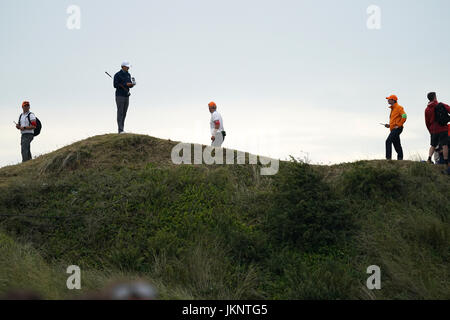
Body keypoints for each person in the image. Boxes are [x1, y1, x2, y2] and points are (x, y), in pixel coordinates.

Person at [425, 92, 450, 174]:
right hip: (443, 128)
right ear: (435, 97)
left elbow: (427, 122)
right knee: (444, 145)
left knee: (433, 145)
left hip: (433, 129)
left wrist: (430, 130)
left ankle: (429, 159)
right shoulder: (441, 104)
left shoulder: (427, 109)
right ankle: (446, 161)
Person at [114, 61, 136, 134]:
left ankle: (122, 129)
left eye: (128, 66)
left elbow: (129, 84)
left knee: (124, 113)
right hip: (120, 96)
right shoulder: (117, 75)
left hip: (126, 95)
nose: (128, 68)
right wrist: (125, 84)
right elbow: (115, 85)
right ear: (123, 67)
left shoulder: (128, 74)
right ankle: (120, 130)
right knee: (120, 112)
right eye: (127, 66)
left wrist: (131, 85)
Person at [384, 95, 407, 160]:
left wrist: (399, 124)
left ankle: (388, 158)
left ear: (393, 100)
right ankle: (400, 158)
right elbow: (395, 120)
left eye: (389, 99)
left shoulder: (399, 107)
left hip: (397, 128)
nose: (388, 100)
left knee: (388, 141)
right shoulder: (393, 108)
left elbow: (404, 116)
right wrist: (389, 125)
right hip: (393, 128)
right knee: (397, 144)